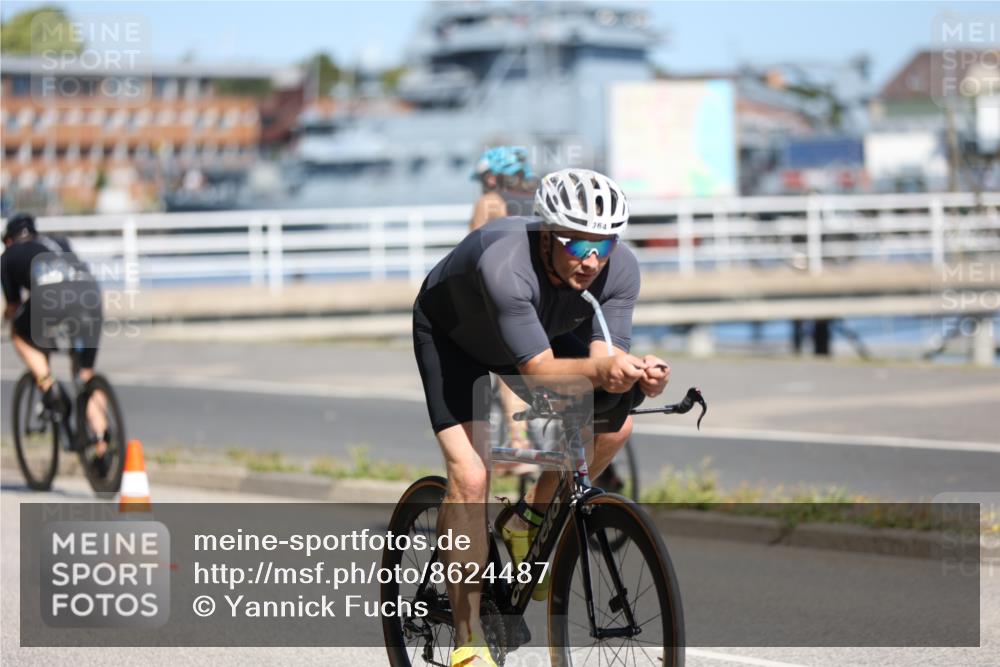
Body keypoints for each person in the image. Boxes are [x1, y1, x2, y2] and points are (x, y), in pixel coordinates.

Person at [413, 169, 670, 666]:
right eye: (577, 246)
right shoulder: (505, 264)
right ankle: (468, 643)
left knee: (615, 425)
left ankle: (528, 517)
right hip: (454, 335)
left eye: (604, 245)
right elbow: (538, 371)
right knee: (471, 475)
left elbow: (603, 357)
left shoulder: (621, 269)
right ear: (548, 235)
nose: (591, 261)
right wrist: (601, 368)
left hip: (536, 332)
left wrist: (635, 375)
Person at [1, 212, 109, 472]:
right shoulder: (59, 243)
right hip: (90, 298)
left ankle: (48, 387)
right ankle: (103, 445)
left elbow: (15, 306)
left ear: (8, 240)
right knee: (84, 374)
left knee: (19, 332)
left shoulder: (7, 258)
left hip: (49, 303)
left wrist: (6, 320)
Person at [468, 146, 535, 232]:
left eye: (482, 180)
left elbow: (473, 242)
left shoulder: (488, 202)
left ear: (490, 179)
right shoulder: (543, 200)